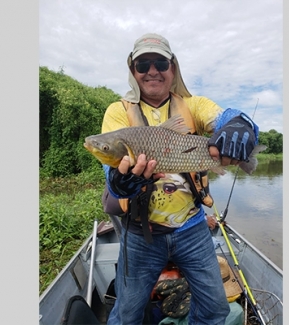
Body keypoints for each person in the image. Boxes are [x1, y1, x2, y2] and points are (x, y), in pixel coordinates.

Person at [101, 33, 260, 325]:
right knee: (126, 315)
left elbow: (226, 117)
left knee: (215, 310)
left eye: (160, 62)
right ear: (132, 71)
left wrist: (241, 125)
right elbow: (111, 176)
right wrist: (119, 182)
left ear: (173, 68)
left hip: (193, 227)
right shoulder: (118, 112)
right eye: (143, 64)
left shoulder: (194, 105)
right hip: (140, 233)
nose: (152, 70)